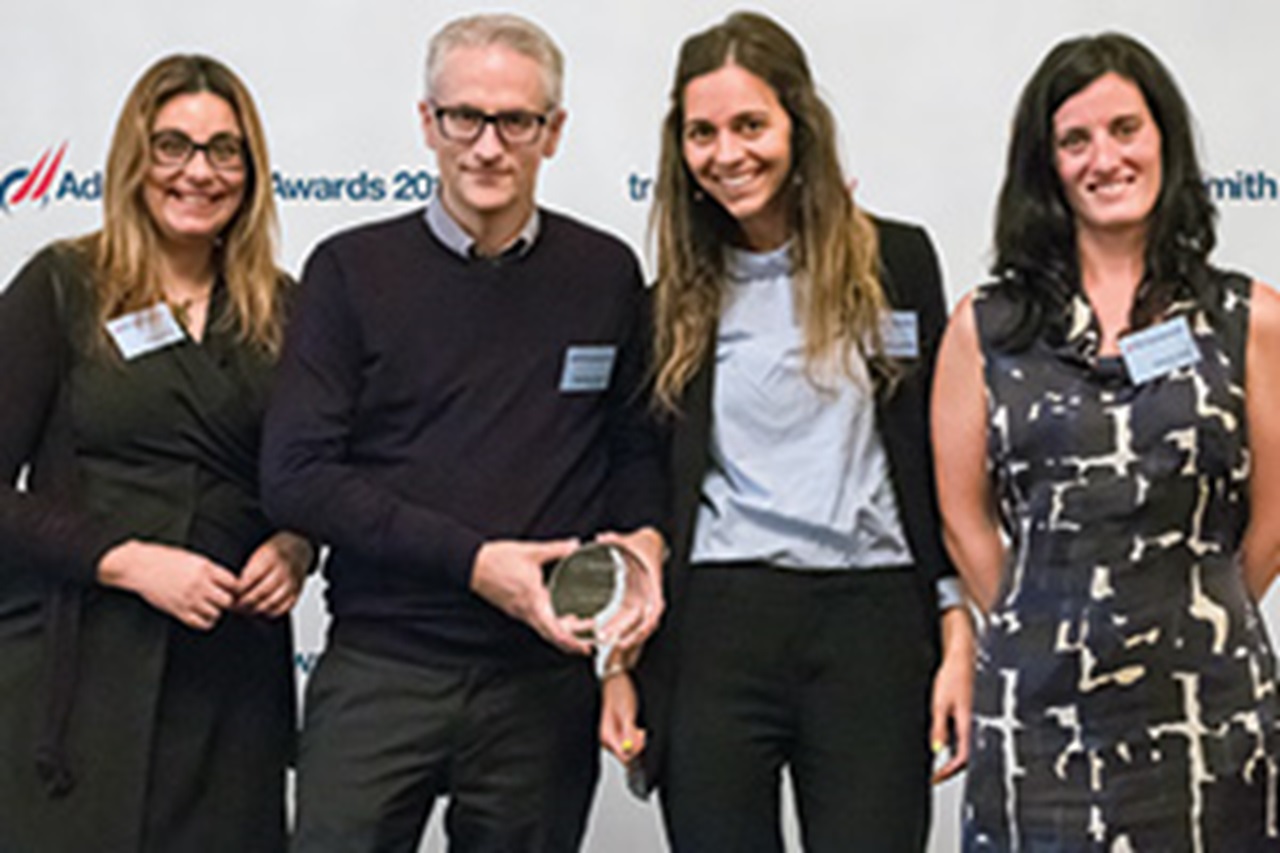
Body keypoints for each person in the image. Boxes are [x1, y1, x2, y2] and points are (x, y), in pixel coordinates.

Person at [261, 12, 665, 853]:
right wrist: (476, 563)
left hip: (541, 682)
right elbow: (297, 475)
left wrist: (643, 543)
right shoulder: (350, 270)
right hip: (381, 668)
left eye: (515, 121)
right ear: (427, 123)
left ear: (553, 132)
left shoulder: (604, 274)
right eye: (464, 118)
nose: (487, 146)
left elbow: (631, 449)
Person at [599, 12, 974, 852]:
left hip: (872, 621)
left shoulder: (897, 262)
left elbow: (933, 457)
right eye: (702, 133)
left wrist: (957, 627)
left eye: (750, 125)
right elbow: (640, 475)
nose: (726, 153)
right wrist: (617, 661)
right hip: (715, 626)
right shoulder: (667, 303)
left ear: (798, 126)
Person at [933, 32, 1280, 850]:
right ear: (1047, 165)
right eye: (1075, 140)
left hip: (1211, 711)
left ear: (1164, 140)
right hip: (1038, 714)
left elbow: (1273, 517)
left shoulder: (1249, 319)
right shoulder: (987, 329)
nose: (1105, 159)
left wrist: (1198, 611)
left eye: (1126, 129)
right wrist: (1039, 621)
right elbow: (962, 517)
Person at [0, 54, 309, 853]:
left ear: (251, 170)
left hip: (228, 680)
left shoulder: (283, 308)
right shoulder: (64, 285)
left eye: (224, 151)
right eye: (173, 146)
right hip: (79, 667)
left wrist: (296, 546)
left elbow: (316, 476)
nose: (198, 172)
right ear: (136, 157)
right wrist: (125, 560)